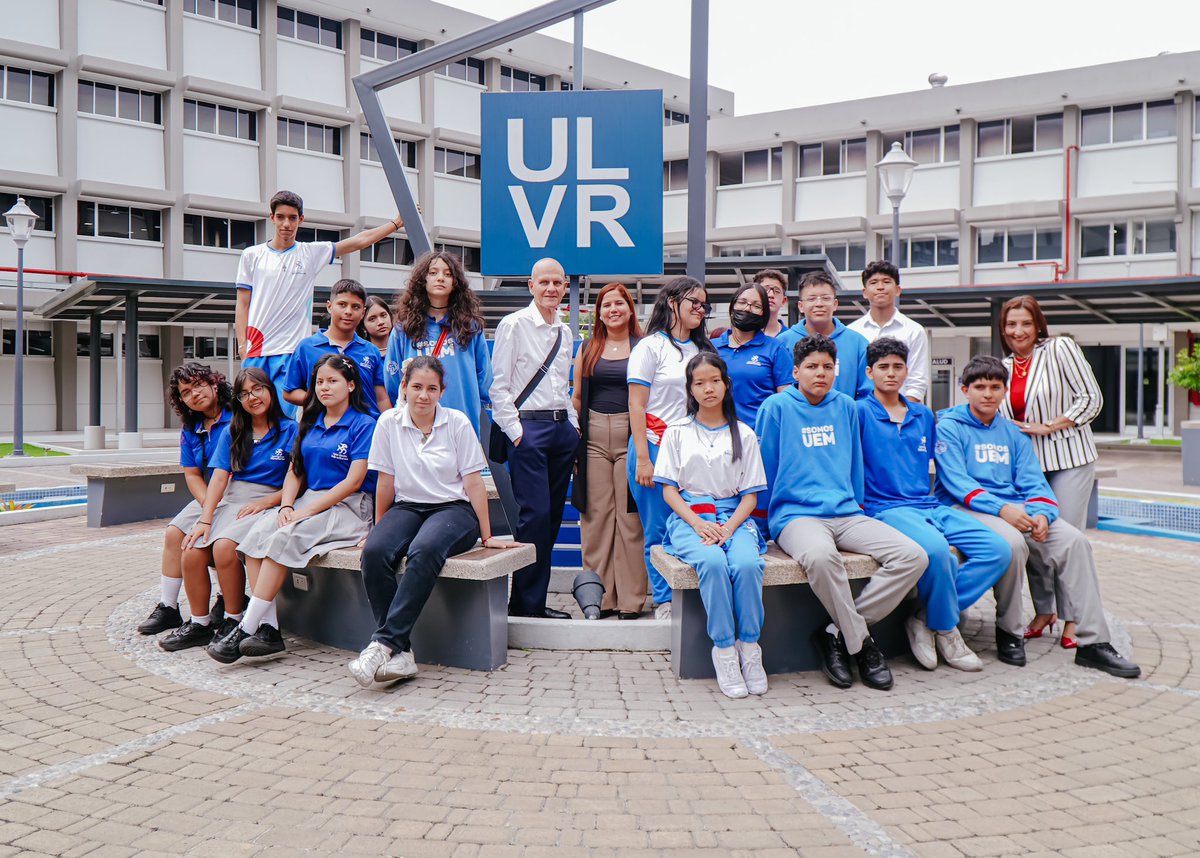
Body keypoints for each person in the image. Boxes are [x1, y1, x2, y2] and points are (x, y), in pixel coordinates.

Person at [935, 355, 1140, 678]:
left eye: (995, 387)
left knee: (1074, 542)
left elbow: (1034, 481)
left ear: (1004, 391)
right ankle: (1010, 631)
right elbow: (957, 483)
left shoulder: (1013, 433)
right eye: (979, 387)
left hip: (1019, 509)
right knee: (1013, 543)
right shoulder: (949, 426)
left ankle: (1094, 643)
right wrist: (1004, 510)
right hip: (969, 509)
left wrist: (1043, 513)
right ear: (964, 390)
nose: (987, 394)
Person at [755, 334, 927, 691]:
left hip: (848, 513)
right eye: (812, 367)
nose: (821, 373)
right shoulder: (776, 407)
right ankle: (863, 646)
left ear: (837, 370)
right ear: (797, 371)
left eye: (828, 367)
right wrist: (763, 525)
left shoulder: (847, 406)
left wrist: (858, 506)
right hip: (796, 516)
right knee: (820, 557)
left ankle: (836, 632)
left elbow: (855, 465)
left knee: (913, 556)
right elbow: (764, 469)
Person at [352, 357, 524, 685]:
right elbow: (385, 483)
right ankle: (401, 653)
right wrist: (377, 530)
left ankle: (384, 644)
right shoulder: (388, 422)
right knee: (374, 553)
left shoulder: (456, 422)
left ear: (442, 391)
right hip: (408, 507)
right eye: (416, 387)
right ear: (404, 387)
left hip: (454, 511)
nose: (423, 395)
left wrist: (487, 536)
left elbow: (474, 483)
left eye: (432, 388)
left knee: (425, 549)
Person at [858, 338, 1016, 671]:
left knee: (998, 550)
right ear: (869, 372)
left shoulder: (923, 415)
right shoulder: (858, 412)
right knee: (937, 551)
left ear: (907, 370)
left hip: (929, 505)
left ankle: (926, 618)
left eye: (898, 366)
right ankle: (947, 630)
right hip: (885, 507)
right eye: (883, 367)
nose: (891, 373)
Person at [207, 354, 375, 663]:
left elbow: (353, 482)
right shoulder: (309, 423)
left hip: (348, 507)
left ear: (351, 385)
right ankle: (269, 629)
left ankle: (246, 627)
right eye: (320, 382)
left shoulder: (364, 424)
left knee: (284, 539)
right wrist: (286, 506)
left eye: (333, 381)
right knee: (258, 534)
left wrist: (303, 512)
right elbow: (295, 471)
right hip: (308, 501)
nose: (324, 388)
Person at [655, 353, 769, 698]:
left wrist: (729, 529)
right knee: (713, 563)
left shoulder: (744, 434)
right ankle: (723, 650)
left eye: (714, 381)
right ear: (690, 389)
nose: (708, 389)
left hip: (734, 519)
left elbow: (750, 497)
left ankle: (749, 648)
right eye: (699, 383)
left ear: (726, 384)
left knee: (748, 564)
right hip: (691, 516)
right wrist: (698, 524)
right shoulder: (677, 432)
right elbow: (669, 492)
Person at [235, 189, 406, 417]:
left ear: (301, 219)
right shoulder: (251, 255)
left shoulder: (310, 253)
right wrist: (242, 346)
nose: (287, 223)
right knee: (251, 419)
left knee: (286, 422)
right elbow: (242, 304)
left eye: (293, 218)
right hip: (257, 350)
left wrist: (396, 223)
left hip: (290, 350)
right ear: (272, 218)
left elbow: (358, 242)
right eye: (281, 217)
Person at [998, 295, 1104, 649]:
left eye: (1025, 323)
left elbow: (1091, 397)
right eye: (1011, 324)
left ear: (1038, 325)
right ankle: (1045, 611)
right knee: (1033, 539)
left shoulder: (1060, 349)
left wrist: (1052, 425)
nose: (1018, 331)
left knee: (1065, 539)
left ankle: (1074, 618)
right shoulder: (1004, 367)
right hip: (1028, 469)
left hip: (1069, 457)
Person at [165, 369, 298, 651]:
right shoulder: (233, 432)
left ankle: (232, 617)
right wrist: (205, 518)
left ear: (270, 391)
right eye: (245, 393)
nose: (253, 397)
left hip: (268, 501)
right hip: (234, 499)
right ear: (237, 399)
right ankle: (200, 623)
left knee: (225, 547)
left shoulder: (291, 431)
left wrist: (271, 501)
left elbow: (298, 477)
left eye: (258, 389)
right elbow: (219, 478)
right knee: (191, 549)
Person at [491, 257, 578, 620]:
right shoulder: (513, 325)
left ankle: (535, 601)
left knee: (553, 516)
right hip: (528, 430)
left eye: (558, 283)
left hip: (561, 430)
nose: (551, 289)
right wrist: (517, 434)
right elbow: (499, 387)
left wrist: (572, 427)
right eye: (544, 282)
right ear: (531, 285)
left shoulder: (566, 331)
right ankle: (524, 604)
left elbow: (564, 386)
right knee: (535, 516)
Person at [628, 276, 714, 619]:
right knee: (658, 529)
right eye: (694, 302)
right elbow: (636, 405)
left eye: (704, 305)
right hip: (653, 445)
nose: (701, 309)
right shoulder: (650, 347)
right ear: (672, 302)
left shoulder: (704, 351)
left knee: (694, 523)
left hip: (694, 451)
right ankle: (664, 601)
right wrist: (644, 460)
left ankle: (692, 595)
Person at [137, 363, 233, 637]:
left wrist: (214, 509)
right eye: (186, 392)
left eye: (199, 385)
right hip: (209, 497)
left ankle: (228, 601)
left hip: (238, 493)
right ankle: (168, 607)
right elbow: (192, 474)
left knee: (211, 543)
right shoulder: (191, 428)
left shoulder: (238, 416)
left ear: (214, 384)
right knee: (173, 534)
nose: (195, 394)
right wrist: (208, 506)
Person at [571, 283, 647, 619]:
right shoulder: (588, 347)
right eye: (606, 305)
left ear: (630, 309)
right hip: (594, 437)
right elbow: (576, 396)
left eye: (619, 303)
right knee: (596, 517)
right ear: (598, 312)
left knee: (630, 519)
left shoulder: (645, 348)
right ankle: (598, 598)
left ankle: (631, 600)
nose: (613, 309)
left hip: (632, 437)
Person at [385, 250, 492, 436]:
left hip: (462, 422)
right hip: (415, 425)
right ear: (422, 280)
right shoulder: (404, 328)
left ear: (456, 282)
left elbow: (485, 376)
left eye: (448, 273)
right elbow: (393, 381)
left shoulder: (471, 327)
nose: (440, 278)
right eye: (433, 273)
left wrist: (472, 403)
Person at [284, 278, 391, 417]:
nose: (348, 311)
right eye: (342, 304)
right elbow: (289, 392)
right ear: (329, 306)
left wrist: (391, 425)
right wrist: (320, 399)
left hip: (364, 431)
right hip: (321, 431)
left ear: (363, 313)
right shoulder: (306, 348)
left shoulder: (371, 351)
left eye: (355, 307)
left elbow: (381, 397)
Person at [777, 271, 872, 400]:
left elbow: (868, 394)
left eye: (826, 298)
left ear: (835, 304)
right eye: (811, 299)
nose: (819, 304)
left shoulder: (858, 343)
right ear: (800, 306)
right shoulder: (782, 342)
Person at [847, 260, 929, 402]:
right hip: (861, 416)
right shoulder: (852, 332)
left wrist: (904, 416)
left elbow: (917, 381)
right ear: (865, 293)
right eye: (873, 283)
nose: (880, 287)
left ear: (898, 290)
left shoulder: (914, 331)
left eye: (886, 281)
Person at [753, 268, 790, 338]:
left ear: (784, 301)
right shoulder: (744, 335)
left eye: (777, 291)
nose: (771, 295)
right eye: (765, 290)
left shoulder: (790, 338)